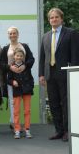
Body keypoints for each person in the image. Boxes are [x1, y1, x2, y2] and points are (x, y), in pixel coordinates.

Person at [39, 8, 79, 142]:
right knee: (54, 103)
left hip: (65, 74)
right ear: (49, 20)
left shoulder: (71, 33)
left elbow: (75, 55)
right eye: (51, 18)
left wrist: (74, 73)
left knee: (66, 103)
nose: (54, 19)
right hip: (50, 75)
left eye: (56, 17)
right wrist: (41, 75)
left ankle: (68, 131)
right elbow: (42, 58)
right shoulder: (45, 36)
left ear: (61, 19)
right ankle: (59, 130)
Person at [0, 26, 34, 131]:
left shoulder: (24, 46)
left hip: (25, 78)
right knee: (12, 102)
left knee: (25, 104)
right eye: (10, 33)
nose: (12, 35)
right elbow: (1, 63)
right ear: (8, 35)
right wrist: (10, 67)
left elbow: (31, 59)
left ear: (18, 34)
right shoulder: (5, 49)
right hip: (12, 78)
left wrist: (25, 66)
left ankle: (24, 126)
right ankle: (15, 124)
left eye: (14, 33)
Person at [8, 48, 34, 139]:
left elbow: (31, 78)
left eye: (21, 56)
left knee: (27, 111)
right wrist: (12, 82)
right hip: (17, 91)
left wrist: (30, 86)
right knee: (16, 111)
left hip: (27, 91)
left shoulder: (26, 66)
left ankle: (27, 130)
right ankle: (17, 130)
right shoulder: (11, 67)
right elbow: (8, 79)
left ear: (23, 57)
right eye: (17, 55)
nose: (19, 57)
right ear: (14, 56)